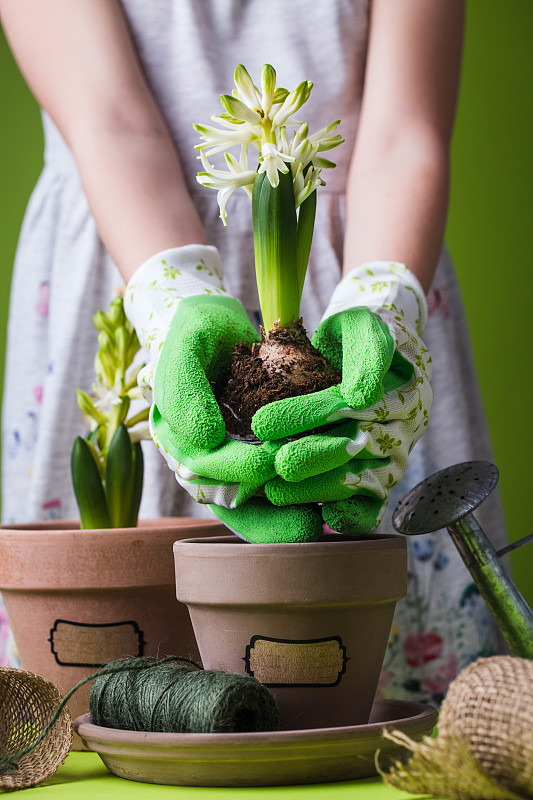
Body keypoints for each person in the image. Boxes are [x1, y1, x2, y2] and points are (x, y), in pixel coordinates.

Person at [0, 0, 507, 702]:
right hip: (131, 255)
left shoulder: (374, 304)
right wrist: (176, 307)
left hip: (364, 263)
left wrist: (384, 306)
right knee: (117, 687)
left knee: (385, 704)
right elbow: (110, 122)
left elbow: (404, 133)